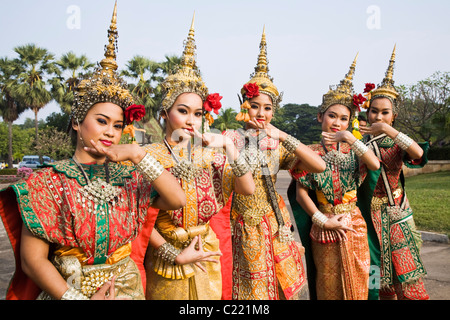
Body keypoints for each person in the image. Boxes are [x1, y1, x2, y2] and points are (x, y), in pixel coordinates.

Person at [0, 3, 185, 300]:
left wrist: (137, 155)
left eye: (117, 124)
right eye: (101, 121)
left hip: (127, 291)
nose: (110, 131)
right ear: (76, 122)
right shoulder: (47, 183)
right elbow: (32, 261)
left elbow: (177, 199)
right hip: (68, 292)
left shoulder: (129, 178)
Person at [142, 15, 255, 300]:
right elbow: (138, 219)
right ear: (165, 111)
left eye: (198, 113)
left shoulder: (210, 156)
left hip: (206, 249)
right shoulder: (148, 156)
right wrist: (169, 253)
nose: (191, 120)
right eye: (183, 111)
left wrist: (230, 147)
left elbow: (247, 188)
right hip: (165, 254)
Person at [222, 27, 326, 300]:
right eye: (255, 105)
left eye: (268, 108)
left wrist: (283, 135)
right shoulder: (229, 138)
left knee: (283, 286)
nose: (261, 113)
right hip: (240, 225)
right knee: (250, 290)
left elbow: (318, 166)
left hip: (275, 224)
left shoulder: (277, 142)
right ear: (244, 105)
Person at [288, 54, 380, 300]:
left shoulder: (355, 151)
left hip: (353, 224)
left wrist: (351, 138)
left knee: (359, 284)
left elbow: (374, 164)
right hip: (325, 224)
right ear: (320, 116)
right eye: (331, 116)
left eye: (344, 118)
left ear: (350, 123)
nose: (336, 123)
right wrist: (322, 220)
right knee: (327, 285)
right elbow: (301, 194)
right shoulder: (309, 153)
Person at [357, 46, 429, 300]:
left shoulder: (399, 142)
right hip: (369, 214)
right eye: (374, 111)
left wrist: (387, 130)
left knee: (406, 275)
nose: (378, 116)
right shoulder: (359, 143)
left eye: (384, 112)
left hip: (396, 212)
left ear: (393, 116)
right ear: (367, 112)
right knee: (379, 278)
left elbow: (418, 154)